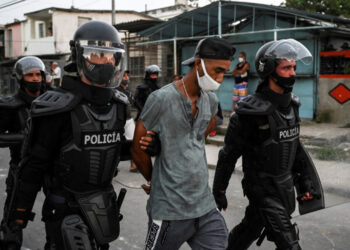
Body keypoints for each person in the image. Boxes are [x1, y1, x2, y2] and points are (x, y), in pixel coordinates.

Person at [0, 20, 151, 250]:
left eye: (111, 56)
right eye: (99, 54)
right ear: (81, 57)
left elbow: (111, 148)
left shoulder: (118, 105)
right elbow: (33, 167)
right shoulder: (55, 108)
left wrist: (147, 146)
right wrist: (16, 219)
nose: (107, 61)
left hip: (103, 206)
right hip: (65, 208)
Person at [213, 39, 325, 250]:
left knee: (249, 230)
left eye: (294, 67)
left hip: (285, 189)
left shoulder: (293, 105)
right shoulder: (248, 114)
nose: (293, 73)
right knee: (290, 246)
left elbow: (295, 149)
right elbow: (228, 155)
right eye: (286, 68)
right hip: (263, 191)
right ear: (270, 70)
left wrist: (305, 185)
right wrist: (219, 190)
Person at [131, 37, 236, 250]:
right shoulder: (161, 98)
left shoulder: (211, 101)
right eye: (217, 70)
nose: (221, 78)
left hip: (204, 207)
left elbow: (198, 139)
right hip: (169, 211)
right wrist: (154, 180)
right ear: (198, 64)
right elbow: (137, 148)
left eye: (224, 72)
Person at [0, 56, 46, 249]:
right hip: (22, 168)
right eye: (30, 75)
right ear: (20, 78)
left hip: (51, 169)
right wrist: (25, 137)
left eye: (38, 74)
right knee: (14, 221)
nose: (35, 79)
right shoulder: (10, 106)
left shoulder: (55, 101)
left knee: (60, 216)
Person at [116, 70, 138, 172]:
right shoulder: (115, 90)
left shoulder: (128, 91)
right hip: (117, 120)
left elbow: (132, 101)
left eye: (127, 75)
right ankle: (113, 165)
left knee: (134, 141)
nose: (126, 78)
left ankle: (133, 165)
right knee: (115, 143)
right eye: (123, 76)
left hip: (128, 120)